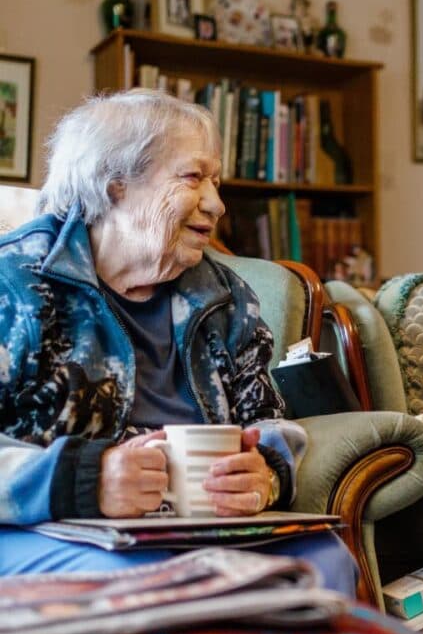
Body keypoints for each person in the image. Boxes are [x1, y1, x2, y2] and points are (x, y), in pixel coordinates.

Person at [0, 89, 357, 594]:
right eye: (193, 178)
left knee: (324, 560)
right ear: (116, 183)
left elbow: (269, 421)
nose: (216, 203)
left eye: (215, 181)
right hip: (43, 527)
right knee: (143, 581)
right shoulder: (14, 283)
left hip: (189, 527)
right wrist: (83, 481)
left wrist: (267, 472)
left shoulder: (224, 297)